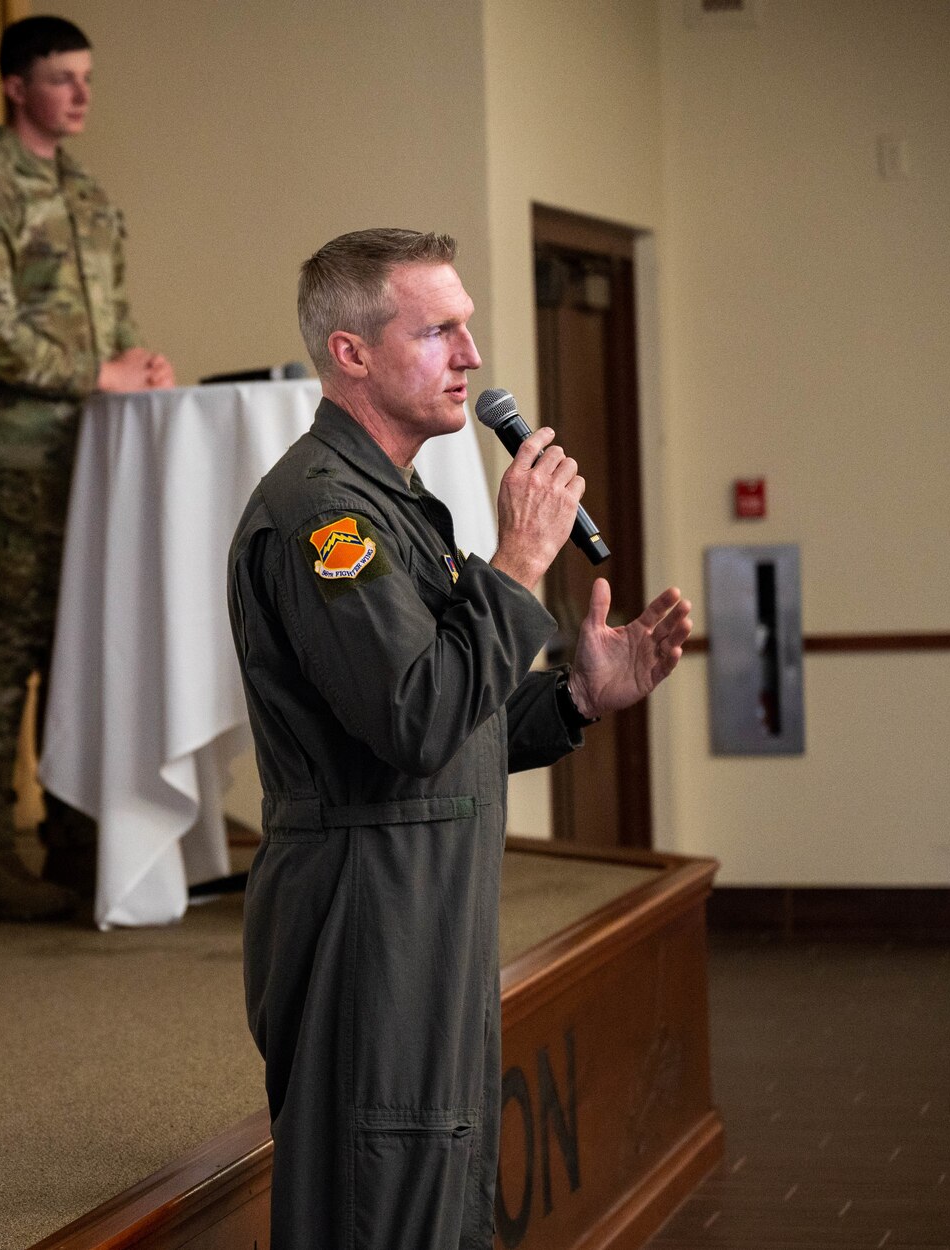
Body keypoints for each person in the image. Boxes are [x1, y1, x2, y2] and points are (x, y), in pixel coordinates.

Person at [226, 229, 691, 1249]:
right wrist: (517, 560)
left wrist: (575, 695)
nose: (471, 356)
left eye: (465, 327)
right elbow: (418, 718)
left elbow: (455, 722)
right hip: (364, 905)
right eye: (438, 330)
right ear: (350, 353)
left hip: (421, 891)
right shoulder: (324, 519)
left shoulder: (400, 507)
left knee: (432, 1191)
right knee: (379, 1201)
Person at [0, 15, 174, 922]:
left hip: (94, 455)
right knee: (5, 646)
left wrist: (135, 362)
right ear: (14, 87)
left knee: (84, 641)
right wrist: (93, 372)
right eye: (61, 78)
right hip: (15, 458)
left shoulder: (86, 194)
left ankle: (74, 837)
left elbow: (108, 314)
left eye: (86, 77)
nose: (80, 94)